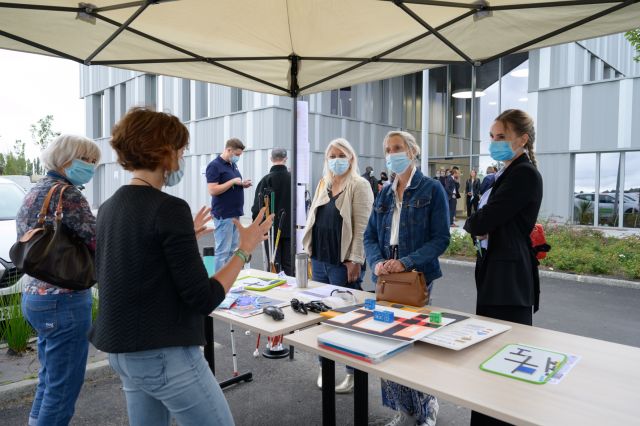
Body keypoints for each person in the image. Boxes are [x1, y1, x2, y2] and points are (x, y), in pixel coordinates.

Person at [90, 107, 273, 426]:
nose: (182, 157)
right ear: (165, 152)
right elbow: (203, 297)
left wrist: (180, 238)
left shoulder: (108, 208)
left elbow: (120, 271)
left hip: (121, 351)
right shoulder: (169, 208)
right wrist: (245, 249)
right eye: (181, 150)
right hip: (163, 353)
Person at [364, 131, 450, 426]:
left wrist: (405, 262)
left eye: (397, 148)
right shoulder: (384, 193)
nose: (391, 154)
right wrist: (376, 263)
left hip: (417, 276)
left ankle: (426, 407)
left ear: (412, 152)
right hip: (387, 276)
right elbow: (370, 235)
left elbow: (441, 239)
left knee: (414, 345)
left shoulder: (432, 189)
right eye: (387, 149)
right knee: (387, 342)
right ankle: (403, 408)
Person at [463, 109, 542, 426]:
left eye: (501, 137)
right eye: (492, 137)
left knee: (502, 363)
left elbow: (481, 219)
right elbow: (481, 217)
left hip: (509, 282)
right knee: (490, 361)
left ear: (522, 139)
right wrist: (480, 223)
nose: (494, 143)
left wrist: (479, 224)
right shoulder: (502, 175)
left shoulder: (523, 174)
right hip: (497, 275)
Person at [16, 135, 101, 426]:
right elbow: (97, 240)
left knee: (50, 378)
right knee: (62, 388)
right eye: (86, 159)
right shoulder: (68, 194)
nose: (91, 166)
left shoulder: (35, 190)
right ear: (66, 159)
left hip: (36, 295)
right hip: (63, 298)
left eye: (93, 161)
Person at [302, 138, 373, 393]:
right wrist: (308, 250)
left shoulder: (360, 185)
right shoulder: (325, 183)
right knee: (324, 316)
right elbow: (313, 217)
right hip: (320, 258)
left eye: (341, 154)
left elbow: (364, 227)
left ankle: (352, 372)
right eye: (331, 155)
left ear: (351, 157)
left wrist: (355, 259)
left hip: (342, 261)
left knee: (348, 319)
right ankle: (325, 365)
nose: (336, 159)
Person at [206, 138, 252, 272]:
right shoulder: (214, 166)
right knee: (223, 252)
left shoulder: (232, 165)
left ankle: (230, 282)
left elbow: (232, 184)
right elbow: (212, 190)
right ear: (228, 150)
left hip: (235, 214)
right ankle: (218, 285)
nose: (238, 157)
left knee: (232, 250)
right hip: (224, 214)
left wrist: (242, 184)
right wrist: (233, 181)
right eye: (237, 155)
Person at [251, 147, 293, 276]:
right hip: (290, 228)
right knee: (289, 263)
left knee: (273, 262)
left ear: (271, 159)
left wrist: (257, 226)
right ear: (286, 159)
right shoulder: (293, 179)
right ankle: (290, 289)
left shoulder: (265, 180)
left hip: (270, 228)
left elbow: (257, 208)